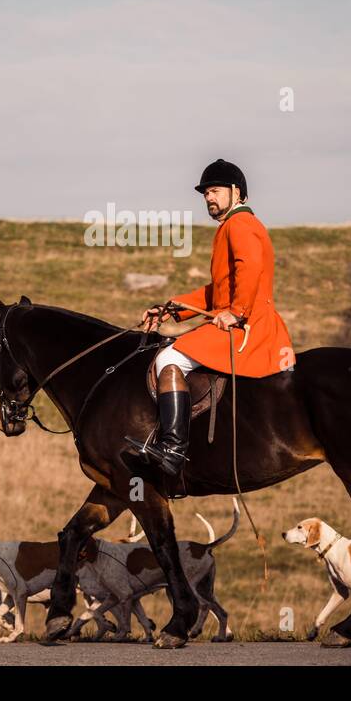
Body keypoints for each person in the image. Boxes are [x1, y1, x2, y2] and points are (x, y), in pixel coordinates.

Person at [122, 159, 293, 478]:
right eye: (205, 194)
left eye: (214, 191)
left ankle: (172, 450)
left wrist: (237, 312)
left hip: (247, 329)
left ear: (236, 192)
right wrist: (171, 309)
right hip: (240, 321)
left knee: (167, 359)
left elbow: (249, 269)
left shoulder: (240, 224)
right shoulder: (233, 226)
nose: (209, 198)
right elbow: (219, 291)